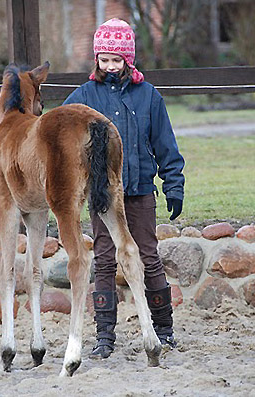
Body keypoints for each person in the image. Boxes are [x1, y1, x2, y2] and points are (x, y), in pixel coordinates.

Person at [63, 18, 185, 359]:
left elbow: (165, 145)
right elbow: (58, 133)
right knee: (103, 258)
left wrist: (174, 183)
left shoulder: (149, 97)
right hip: (102, 194)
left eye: (117, 60)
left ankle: (163, 329)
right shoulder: (83, 97)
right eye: (104, 60)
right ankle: (105, 335)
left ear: (128, 60)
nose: (111, 66)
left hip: (140, 189)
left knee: (148, 255)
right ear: (97, 59)